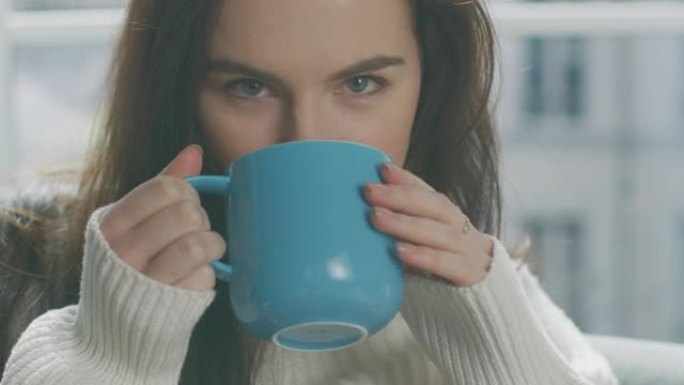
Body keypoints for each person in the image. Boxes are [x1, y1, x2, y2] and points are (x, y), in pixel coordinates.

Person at [0, 0, 619, 384]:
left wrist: (492, 347)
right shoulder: (42, 277)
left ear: (429, 86)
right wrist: (120, 356)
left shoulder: (493, 294)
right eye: (248, 87)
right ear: (180, 95)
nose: (306, 137)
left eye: (361, 82)